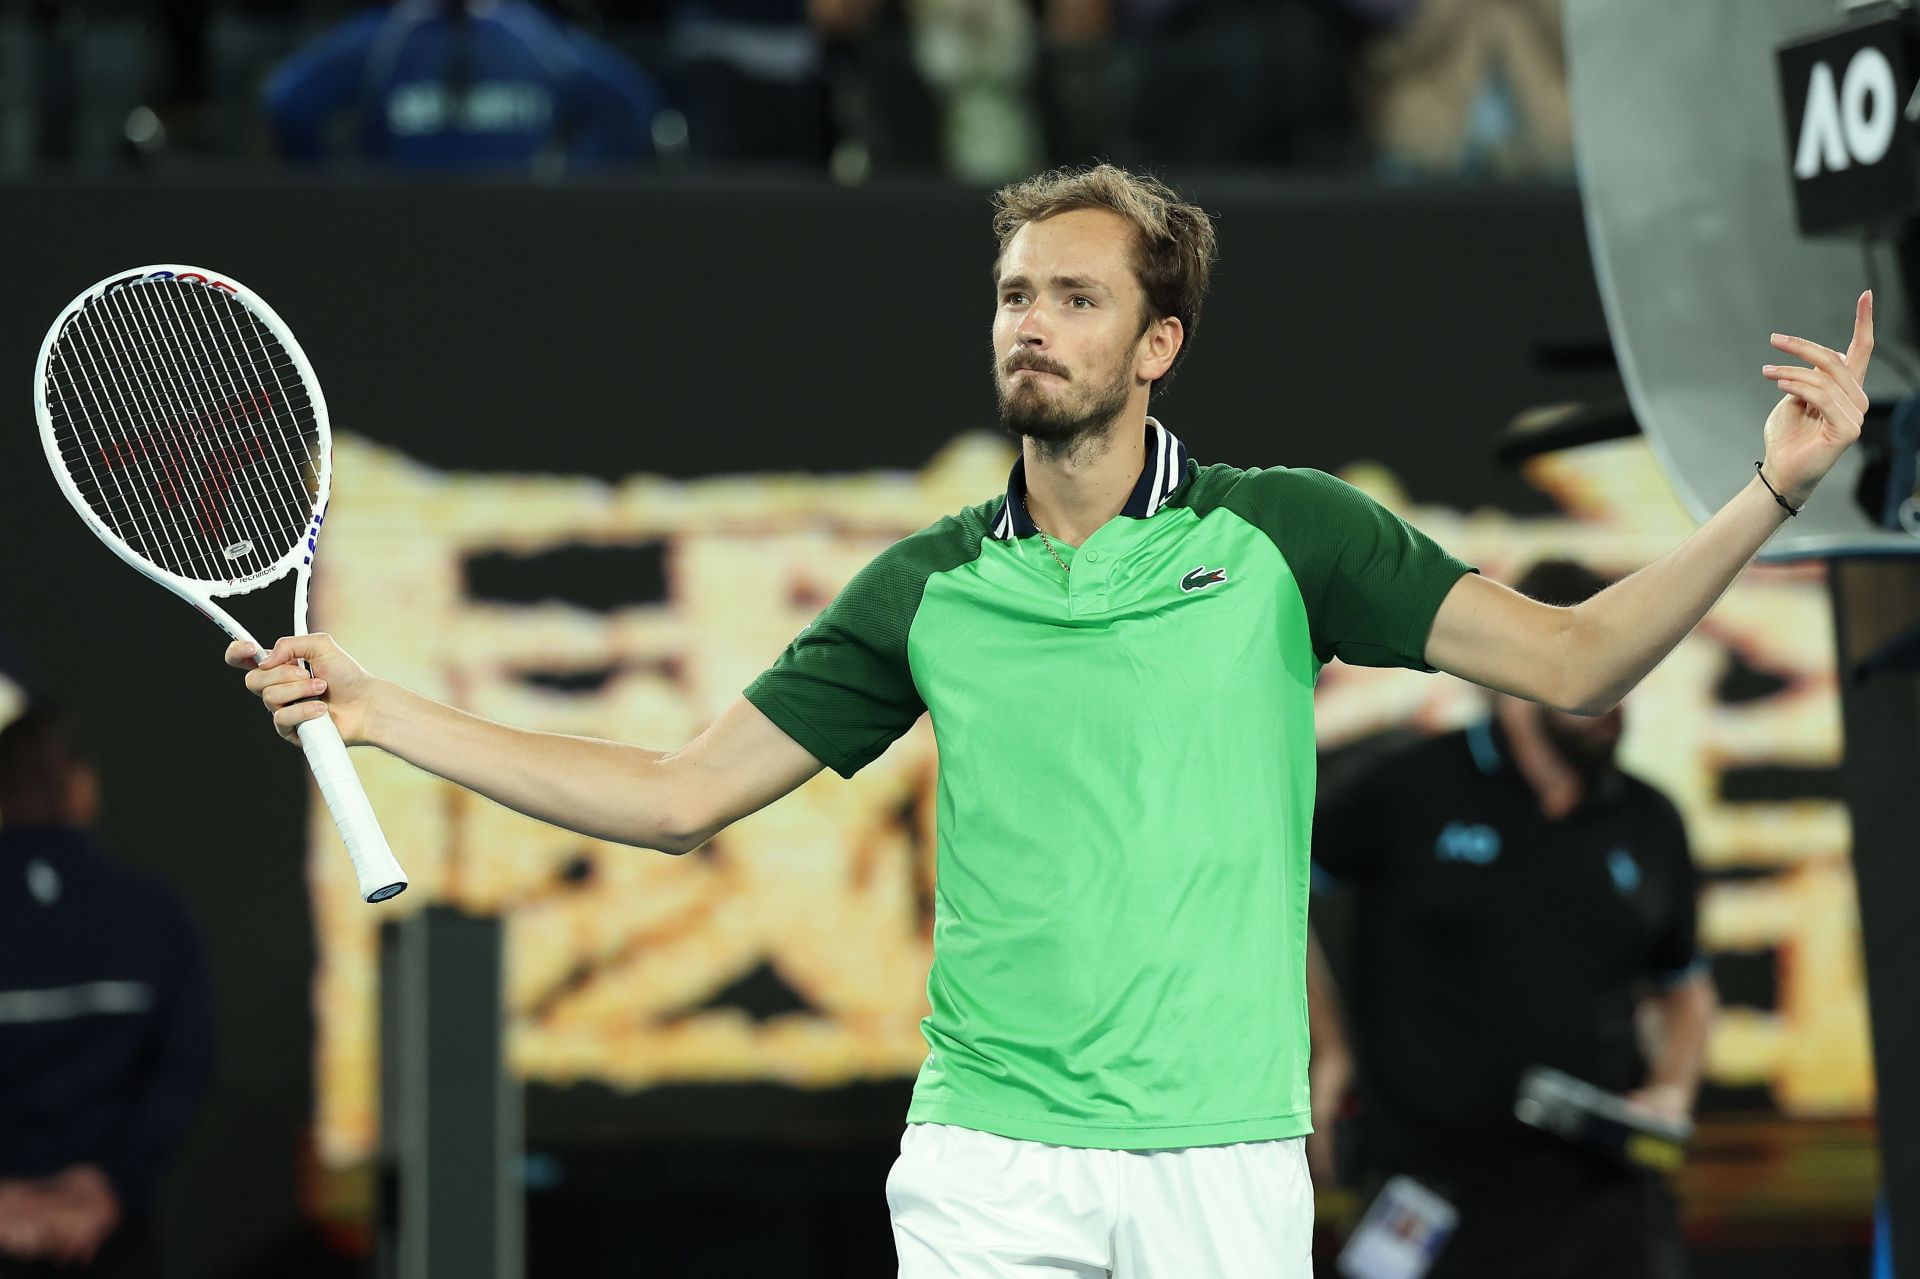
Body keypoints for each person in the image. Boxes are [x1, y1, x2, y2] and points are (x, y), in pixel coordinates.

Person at [229, 164, 1872, 1276]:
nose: (1032, 319)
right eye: (1017, 290)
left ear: (1158, 342)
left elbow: (1579, 661)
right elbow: (675, 793)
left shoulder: (1286, 534)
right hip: (985, 1157)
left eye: (1078, 298)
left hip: (1221, 1162)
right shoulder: (927, 585)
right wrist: (382, 709)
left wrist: (1767, 491)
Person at [1307, 558, 1716, 1279]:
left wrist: (1674, 1087)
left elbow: (1683, 982)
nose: (1617, 691)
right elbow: (1270, 899)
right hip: (1430, 1193)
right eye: (1599, 659)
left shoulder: (1650, 819)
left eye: (1630, 665)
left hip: (1604, 1196)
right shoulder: (1407, 788)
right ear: (1531, 659)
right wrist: (1323, 1049)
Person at [0, 706, 215, 1278]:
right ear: (81, 786)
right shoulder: (153, 910)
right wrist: (108, 1182)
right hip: (111, 1237)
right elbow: (186, 1065)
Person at [263, 0, 667, 172]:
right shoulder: (385, 40)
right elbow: (289, 103)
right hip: (402, 230)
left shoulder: (533, 39)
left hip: (517, 229)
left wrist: (572, 186)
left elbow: (629, 104)